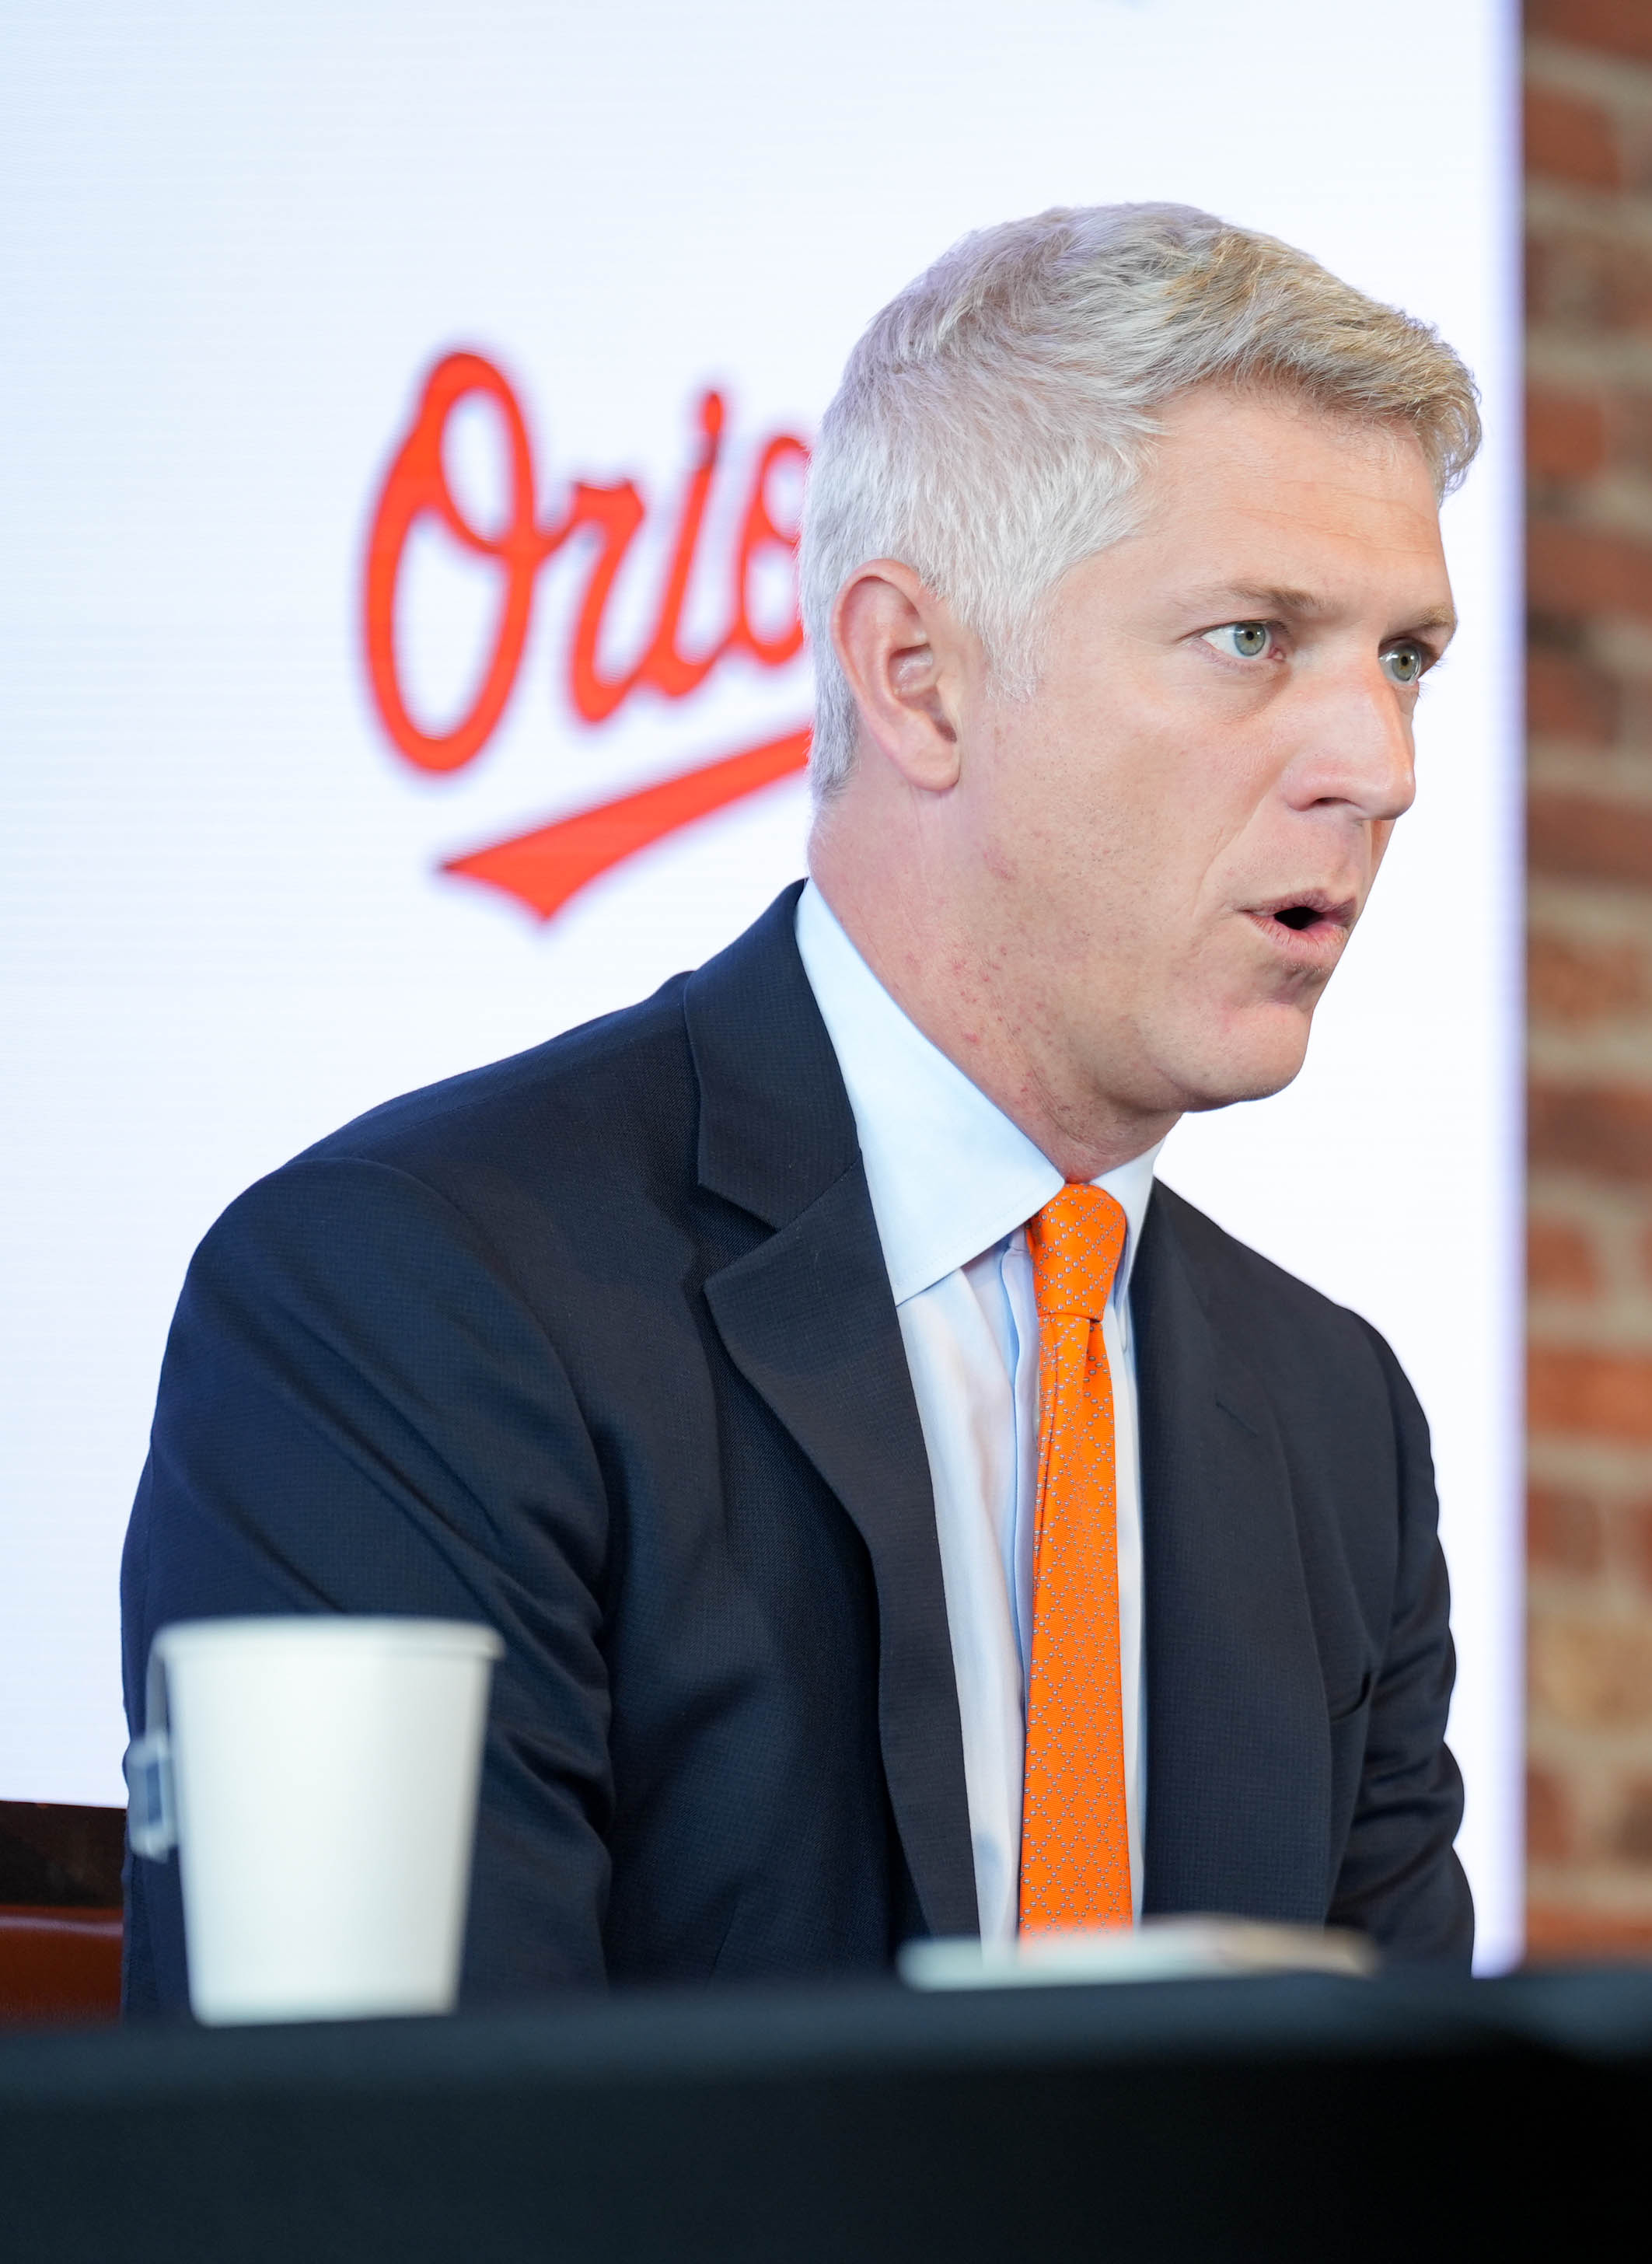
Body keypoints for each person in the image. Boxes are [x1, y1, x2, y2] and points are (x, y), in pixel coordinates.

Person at [117, 204, 1479, 2006]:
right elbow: (392, 2165)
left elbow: (1406, 2164)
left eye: (1404, 660)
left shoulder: (1335, 1427)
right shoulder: (412, 1300)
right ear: (914, 675)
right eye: (1252, 638)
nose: (1378, 768)